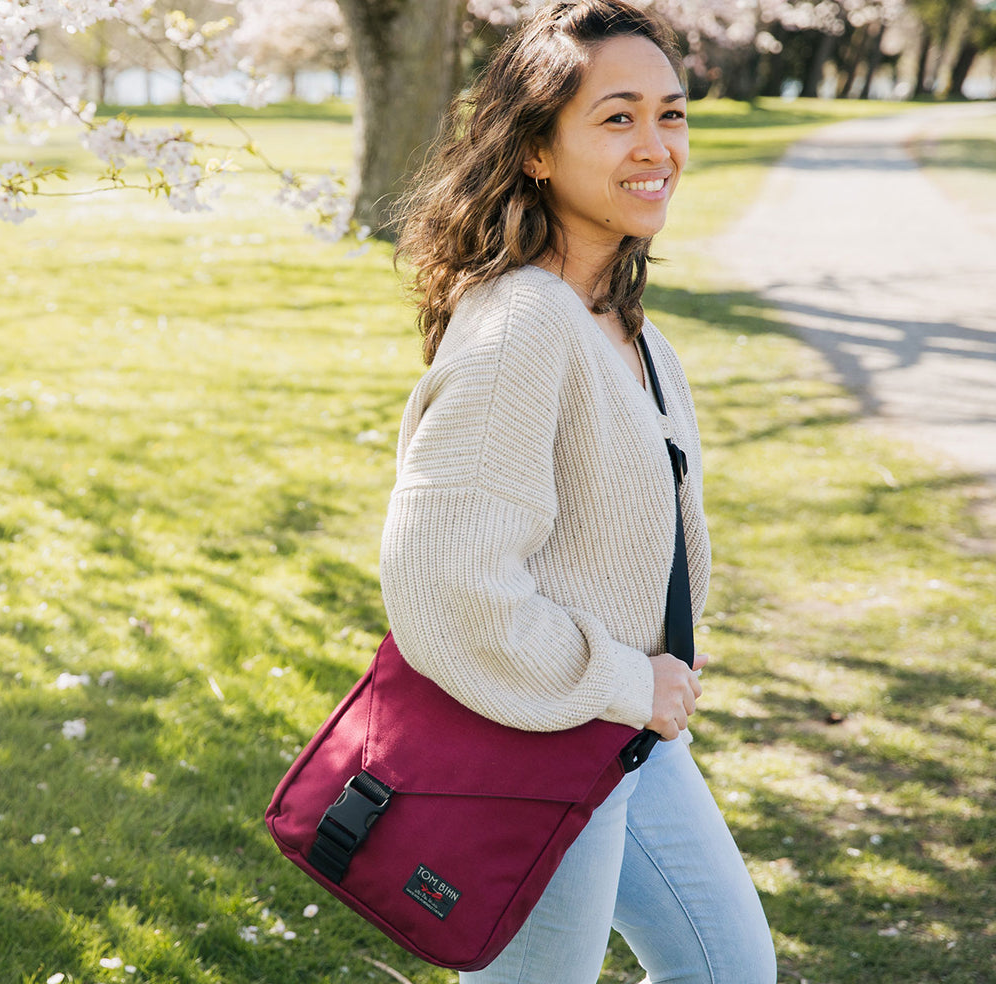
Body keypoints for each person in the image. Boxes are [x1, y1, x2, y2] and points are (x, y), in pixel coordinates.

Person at [379, 2, 776, 981]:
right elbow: (443, 586)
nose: (656, 146)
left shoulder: (629, 330)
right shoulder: (522, 326)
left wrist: (645, 681)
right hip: (539, 740)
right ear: (536, 151)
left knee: (729, 970)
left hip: (625, 737)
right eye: (616, 117)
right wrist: (628, 682)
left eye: (671, 114)